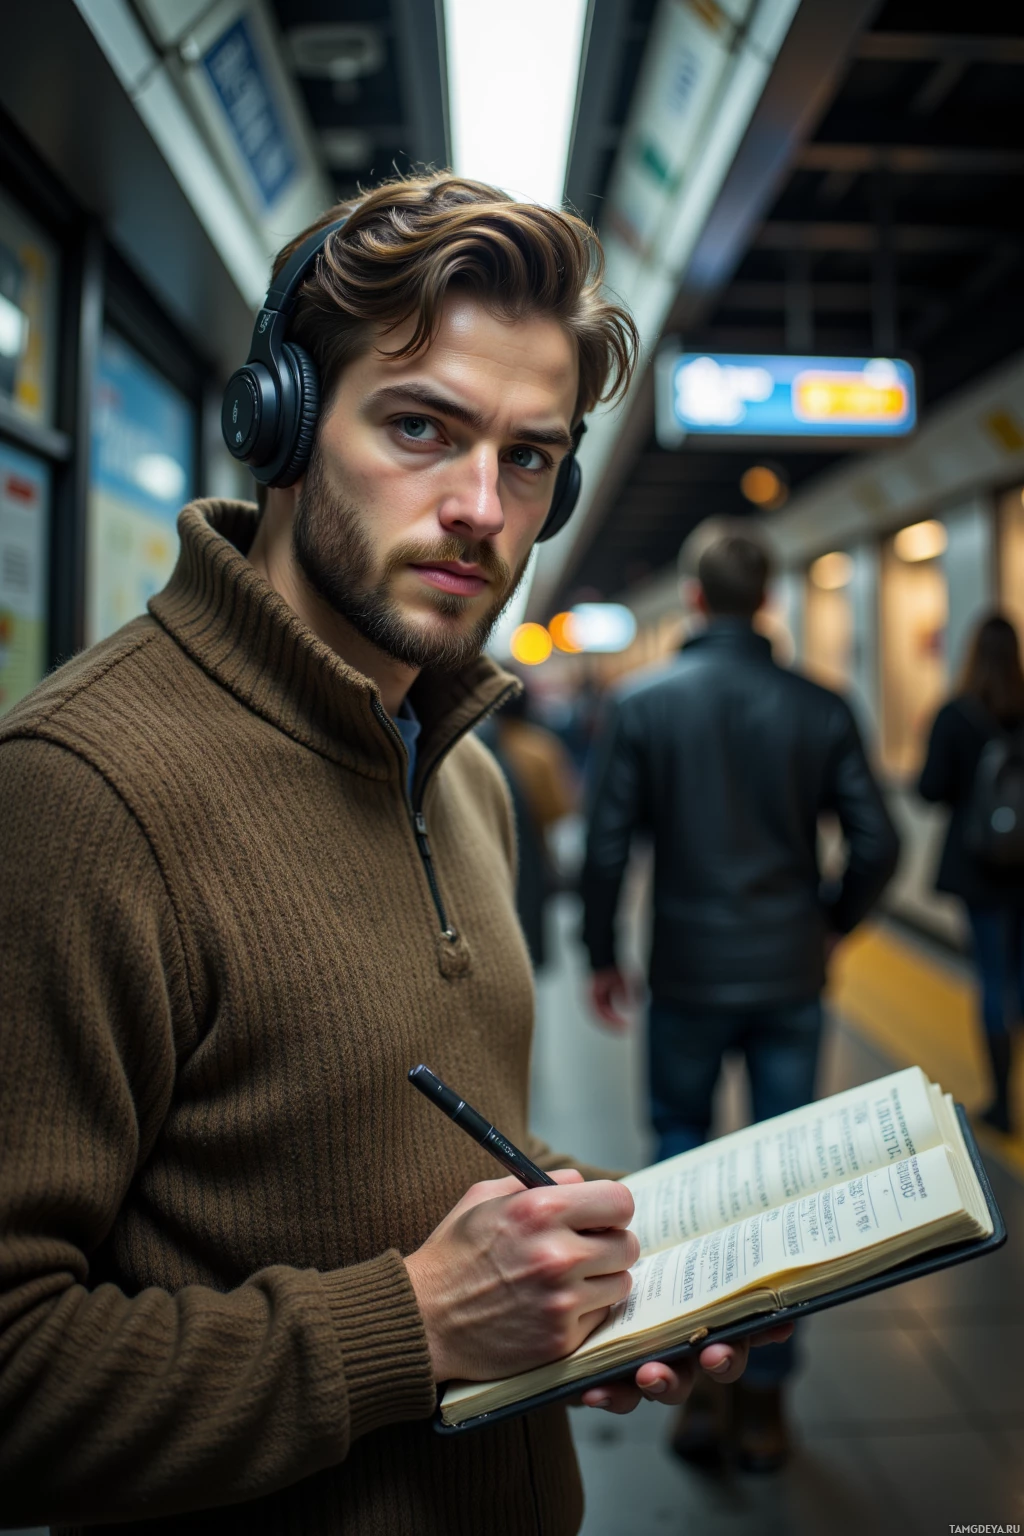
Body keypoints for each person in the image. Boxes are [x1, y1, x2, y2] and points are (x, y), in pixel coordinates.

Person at [0, 176, 790, 1536]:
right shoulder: (80, 793)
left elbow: (385, 1136)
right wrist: (416, 1322)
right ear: (283, 426)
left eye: (530, 457)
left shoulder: (464, 772)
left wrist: (562, 1252)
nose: (483, 507)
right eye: (420, 427)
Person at [581, 518, 899, 1471]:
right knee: (790, 1187)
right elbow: (877, 842)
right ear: (765, 599)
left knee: (678, 1170)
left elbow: (606, 849)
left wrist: (603, 952)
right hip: (788, 973)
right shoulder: (822, 704)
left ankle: (692, 1392)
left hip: (685, 972)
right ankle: (765, 1403)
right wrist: (830, 923)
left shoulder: (641, 704)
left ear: (692, 597)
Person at [919, 612, 1024, 1136]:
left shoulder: (956, 715)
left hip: (980, 869)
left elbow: (929, 789)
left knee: (992, 977)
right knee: (1019, 975)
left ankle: (1004, 1101)